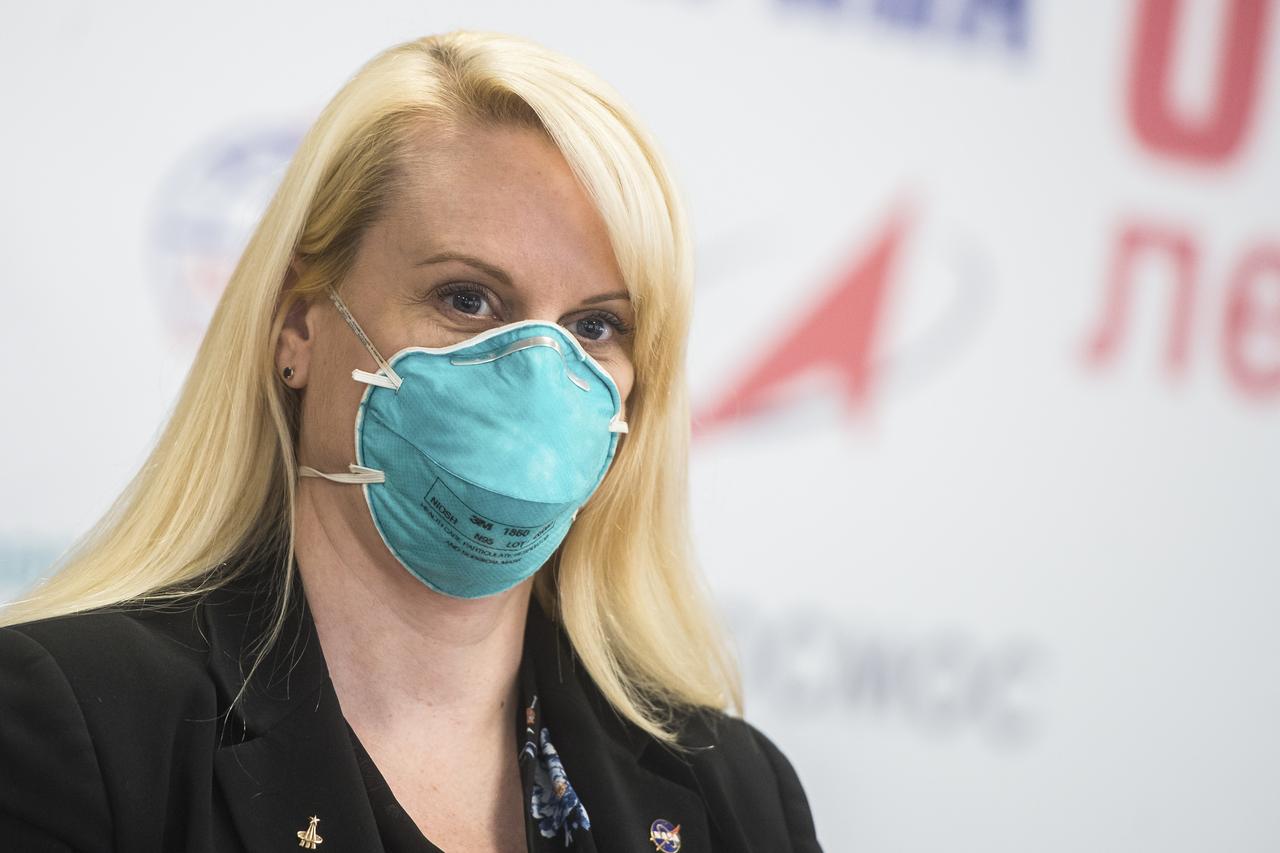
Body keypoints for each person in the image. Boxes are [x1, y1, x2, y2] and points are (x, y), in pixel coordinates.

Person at [0, 29, 823, 853]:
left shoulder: (738, 796)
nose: (537, 378)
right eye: (468, 298)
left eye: (595, 325)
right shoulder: (70, 723)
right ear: (297, 328)